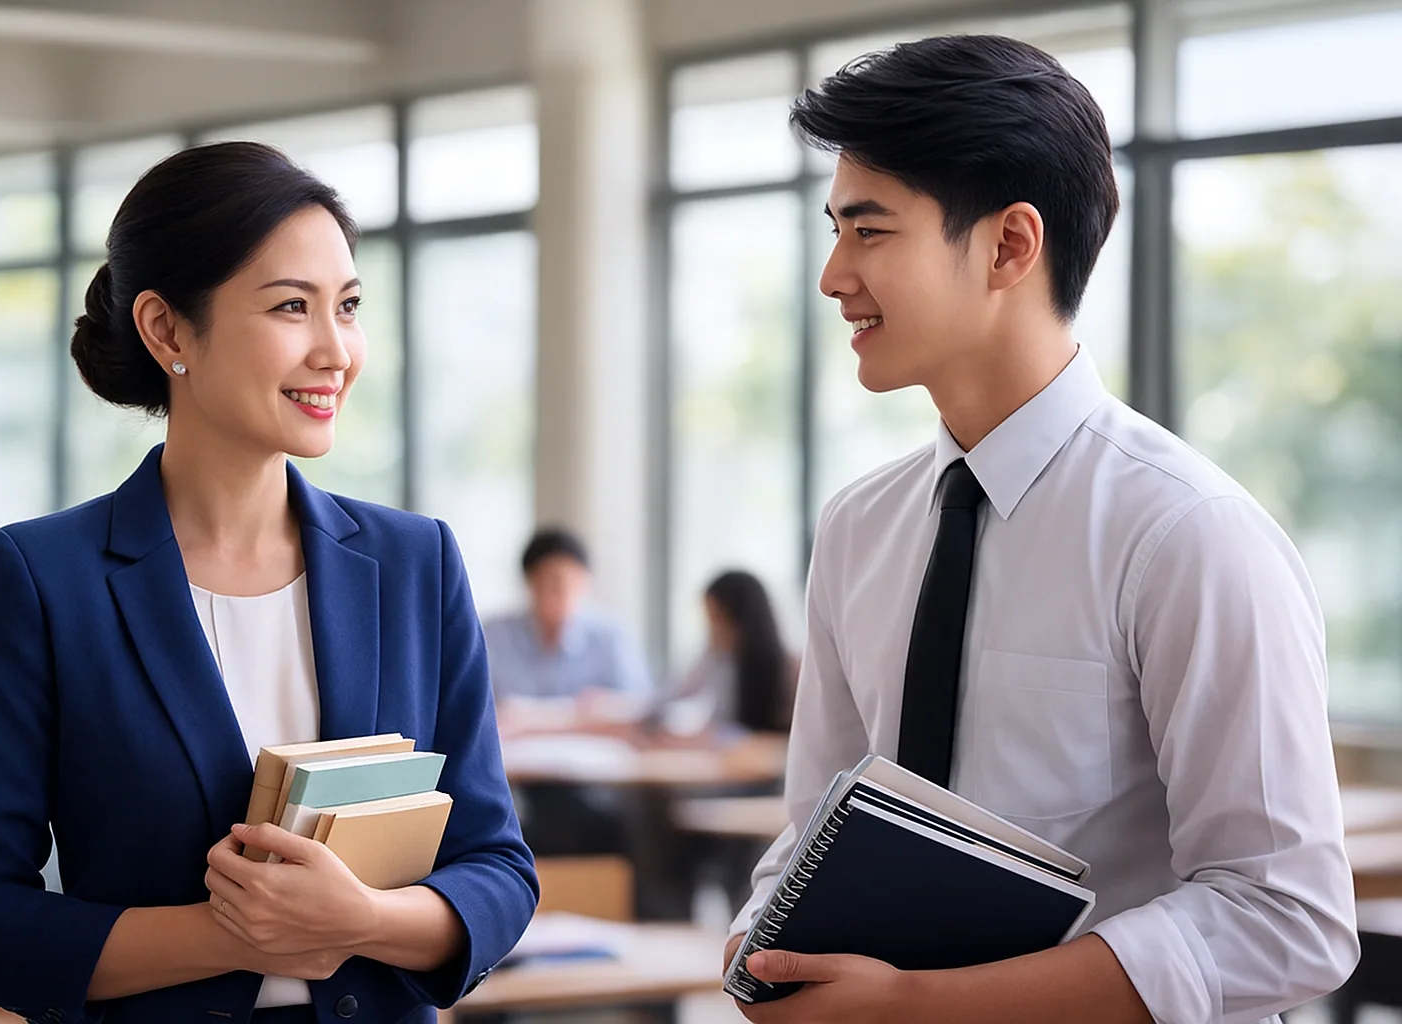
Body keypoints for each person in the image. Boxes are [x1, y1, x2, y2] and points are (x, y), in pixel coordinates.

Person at [724, 36, 1357, 1024]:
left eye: (869, 230)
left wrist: (923, 1006)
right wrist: (762, 940)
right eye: (834, 230)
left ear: (1010, 246)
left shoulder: (1188, 534)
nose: (833, 275)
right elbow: (814, 832)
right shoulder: (859, 529)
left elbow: (1286, 917)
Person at [0, 142, 537, 1024]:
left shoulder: (414, 563)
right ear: (167, 331)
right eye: (291, 306)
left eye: (348, 306)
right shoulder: (42, 580)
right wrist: (235, 935)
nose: (337, 350)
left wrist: (363, 918)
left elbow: (497, 871)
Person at [482, 527, 651, 708]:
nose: (564, 594)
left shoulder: (612, 639)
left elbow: (639, 705)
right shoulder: (493, 637)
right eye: (553, 584)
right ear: (530, 582)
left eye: (573, 584)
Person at [663, 571, 796, 735]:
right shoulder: (714, 658)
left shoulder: (788, 670)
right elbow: (678, 690)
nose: (711, 629)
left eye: (716, 617)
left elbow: (778, 738)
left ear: (742, 619)